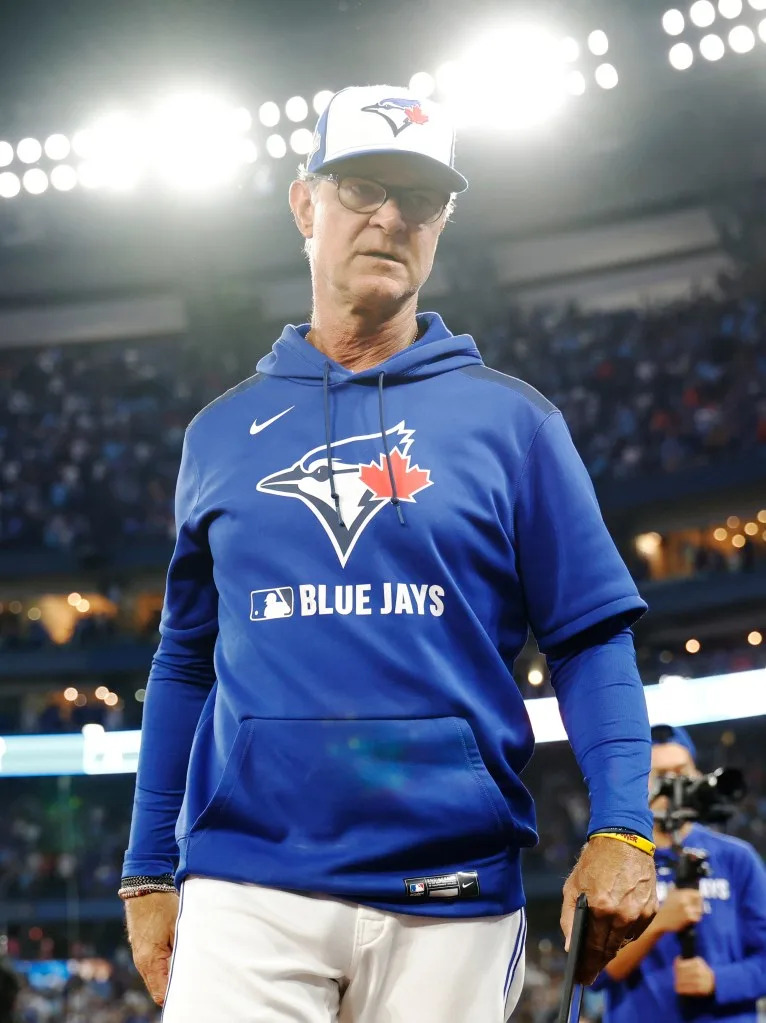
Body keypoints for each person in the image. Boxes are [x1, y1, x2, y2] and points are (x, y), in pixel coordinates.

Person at [121, 84, 657, 1022]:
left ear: (442, 224)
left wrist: (624, 824)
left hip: (453, 890)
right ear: (305, 204)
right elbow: (185, 661)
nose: (391, 217)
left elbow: (588, 635)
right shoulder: (220, 434)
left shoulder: (515, 423)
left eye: (420, 198)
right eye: (363, 187)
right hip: (248, 883)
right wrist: (145, 868)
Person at [592, 724, 766, 1022]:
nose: (675, 786)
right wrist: (659, 922)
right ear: (638, 784)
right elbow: (592, 972)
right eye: (661, 776)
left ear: (698, 776)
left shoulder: (737, 858)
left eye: (682, 772)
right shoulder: (615, 861)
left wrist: (718, 981)